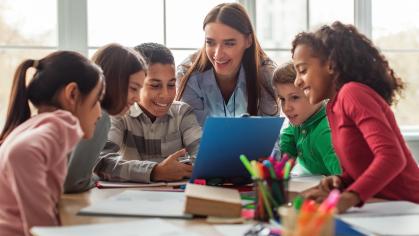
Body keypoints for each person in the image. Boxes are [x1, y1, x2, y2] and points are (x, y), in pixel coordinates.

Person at [292, 21, 419, 213]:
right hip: (386, 209)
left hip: (410, 209)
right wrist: (341, 182)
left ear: (331, 65)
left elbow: (392, 158)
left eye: (303, 70)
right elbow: (362, 167)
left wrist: (349, 197)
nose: (297, 81)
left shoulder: (352, 93)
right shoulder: (333, 108)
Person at [0, 51, 104, 235]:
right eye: (96, 100)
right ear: (72, 94)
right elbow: (21, 153)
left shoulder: (35, 124)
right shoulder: (60, 124)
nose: (100, 113)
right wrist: (46, 229)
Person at [95, 43, 201, 183]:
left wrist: (179, 168)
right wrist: (155, 172)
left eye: (171, 85)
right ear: (137, 83)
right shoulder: (119, 114)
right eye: (155, 85)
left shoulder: (183, 113)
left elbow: (203, 158)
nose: (165, 94)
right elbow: (102, 162)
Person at [176, 2, 279, 125]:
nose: (218, 54)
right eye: (210, 42)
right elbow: (193, 134)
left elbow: (269, 135)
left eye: (229, 43)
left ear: (248, 41)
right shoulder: (188, 74)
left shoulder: (266, 75)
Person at [64, 43, 147, 193]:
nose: (138, 99)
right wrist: (95, 178)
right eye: (134, 88)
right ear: (113, 82)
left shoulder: (78, 110)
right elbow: (75, 182)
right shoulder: (99, 118)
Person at [273, 62, 341, 176]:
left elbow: (345, 177)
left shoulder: (325, 132)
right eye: (282, 99)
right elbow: (284, 153)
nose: (286, 108)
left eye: (294, 97)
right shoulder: (299, 123)